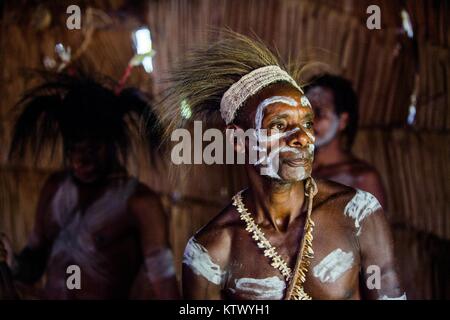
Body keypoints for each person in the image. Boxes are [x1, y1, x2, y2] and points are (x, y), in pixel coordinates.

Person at [161, 31, 405, 300]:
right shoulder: (211, 251)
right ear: (237, 140)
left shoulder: (358, 215)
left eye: (307, 123)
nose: (302, 138)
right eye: (279, 125)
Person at [0, 70, 179, 299]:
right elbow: (33, 263)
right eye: (74, 149)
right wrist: (12, 262)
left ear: (112, 143)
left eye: (92, 149)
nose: (81, 161)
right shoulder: (55, 189)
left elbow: (165, 287)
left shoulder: (140, 204)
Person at [304, 74, 387, 208]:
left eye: (319, 113)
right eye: (305, 113)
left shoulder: (362, 179)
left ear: (342, 121)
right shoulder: (293, 168)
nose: (309, 122)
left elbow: (375, 228)